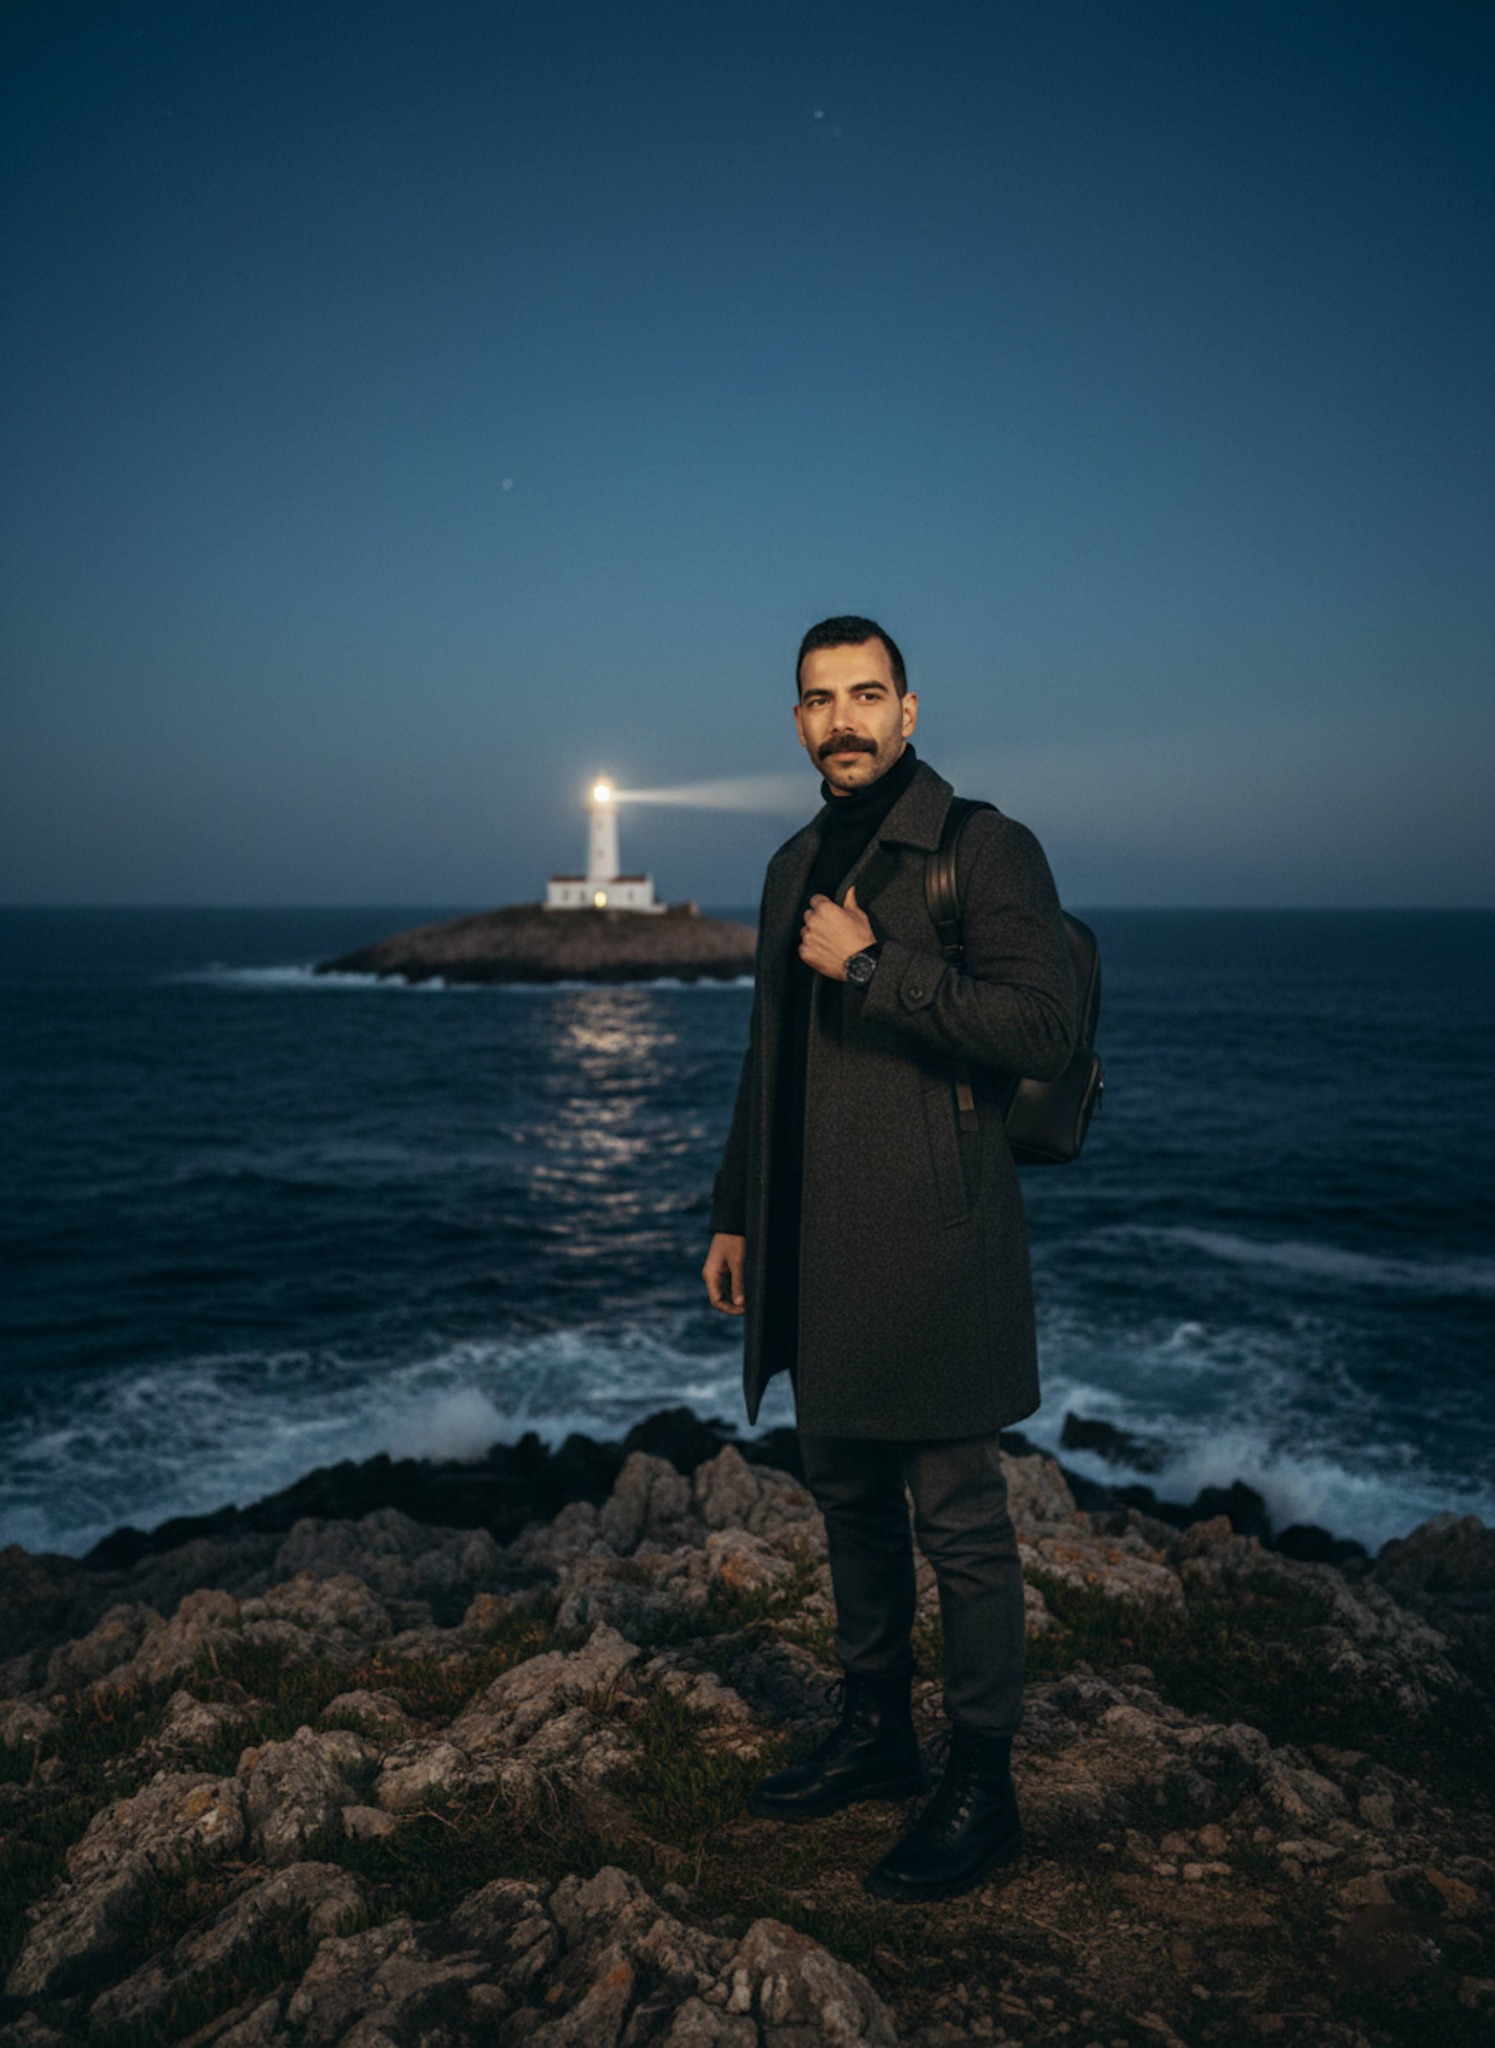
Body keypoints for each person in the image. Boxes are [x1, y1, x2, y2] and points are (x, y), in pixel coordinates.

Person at [701, 615, 1077, 1902]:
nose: (843, 718)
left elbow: (1041, 1019)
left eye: (868, 694)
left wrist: (876, 965)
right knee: (847, 1497)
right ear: (797, 720)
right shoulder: (789, 861)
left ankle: (983, 1783)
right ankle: (876, 1729)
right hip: (811, 1234)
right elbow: (768, 1052)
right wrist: (735, 1209)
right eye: (819, 699)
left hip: (932, 1240)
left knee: (961, 1525)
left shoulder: (983, 846)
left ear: (909, 711)